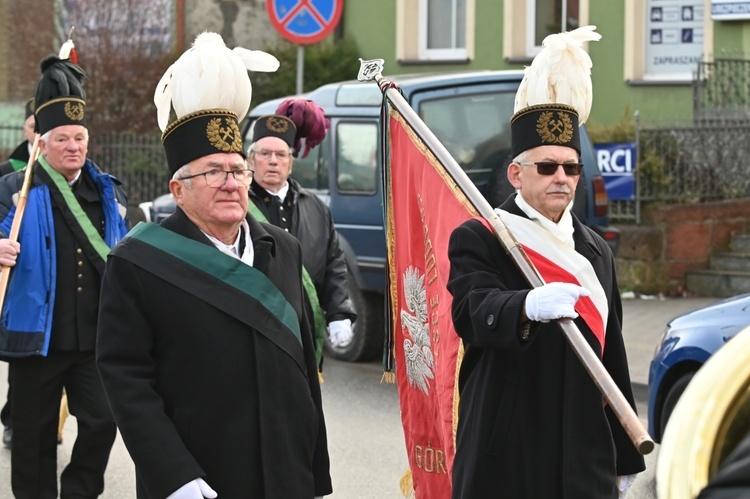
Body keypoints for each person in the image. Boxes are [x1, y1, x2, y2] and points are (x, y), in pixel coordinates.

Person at [95, 32, 332, 498]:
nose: (231, 183)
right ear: (178, 189)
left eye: (237, 169)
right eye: (213, 171)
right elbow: (125, 380)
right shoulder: (139, 262)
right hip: (201, 476)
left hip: (286, 473)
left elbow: (305, 371)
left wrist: (316, 473)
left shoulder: (283, 248)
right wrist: (173, 474)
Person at [446, 26, 646, 498]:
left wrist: (622, 451)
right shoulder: (484, 236)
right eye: (547, 167)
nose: (562, 177)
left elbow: (611, 354)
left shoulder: (595, 249)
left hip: (583, 445)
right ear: (516, 174)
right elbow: (471, 312)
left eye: (571, 166)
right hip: (509, 441)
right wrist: (525, 306)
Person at [0, 54, 129, 498]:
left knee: (102, 421)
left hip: (94, 339)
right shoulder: (12, 190)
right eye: (63, 139)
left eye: (80, 138)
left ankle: (78, 492)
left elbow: (122, 252)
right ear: (43, 144)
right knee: (32, 432)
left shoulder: (108, 192)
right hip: (36, 336)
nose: (73, 146)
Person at [248, 99, 356, 362]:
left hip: (305, 327)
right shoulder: (236, 204)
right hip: (254, 326)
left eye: (281, 154)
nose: (273, 161)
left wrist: (339, 313)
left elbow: (334, 264)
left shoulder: (316, 207)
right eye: (264, 154)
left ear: (291, 162)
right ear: (250, 160)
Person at [0, 99, 36, 177]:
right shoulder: (6, 170)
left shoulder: (64, 165)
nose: (38, 131)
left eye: (42, 126)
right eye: (33, 126)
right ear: (25, 131)